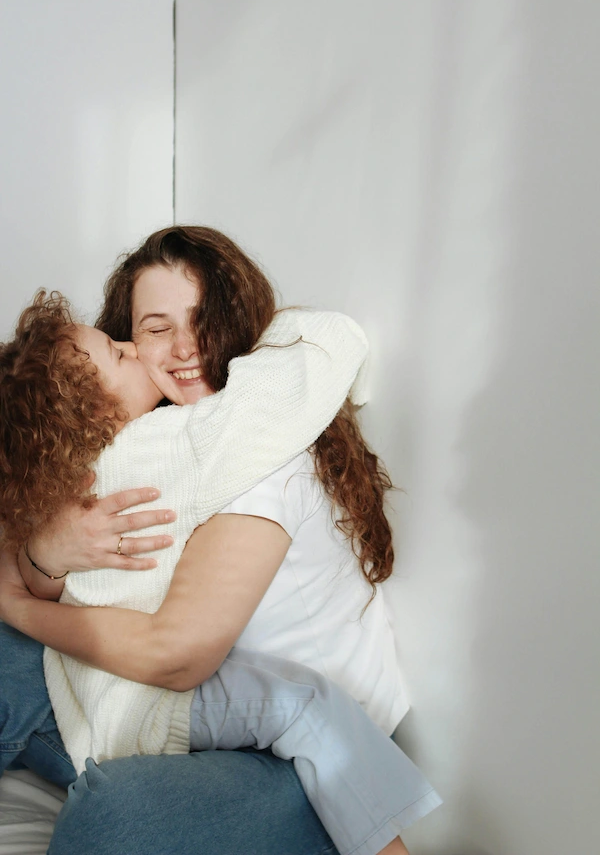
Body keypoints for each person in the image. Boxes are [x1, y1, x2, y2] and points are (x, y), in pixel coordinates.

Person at [0, 227, 438, 855]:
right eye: (152, 330)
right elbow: (24, 529)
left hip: (308, 752)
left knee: (113, 819)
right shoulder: (142, 443)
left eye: (205, 319)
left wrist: (20, 603)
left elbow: (178, 654)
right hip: (183, 712)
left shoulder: (248, 444)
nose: (185, 347)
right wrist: (46, 552)